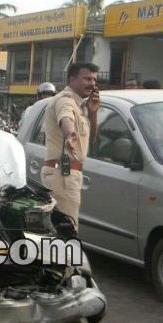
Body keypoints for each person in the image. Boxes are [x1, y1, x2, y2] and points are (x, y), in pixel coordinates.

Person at [41, 62, 99, 226]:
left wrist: (93, 114)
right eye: (87, 79)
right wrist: (70, 134)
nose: (92, 84)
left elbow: (90, 142)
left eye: (94, 80)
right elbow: (66, 119)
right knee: (66, 233)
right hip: (63, 175)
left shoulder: (80, 106)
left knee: (58, 233)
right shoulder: (65, 101)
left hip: (67, 174)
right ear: (72, 79)